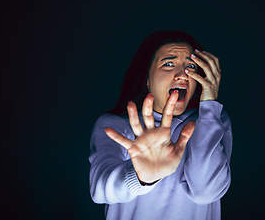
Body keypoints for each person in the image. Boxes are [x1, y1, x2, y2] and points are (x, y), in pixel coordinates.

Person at [89, 30, 233, 220]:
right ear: (147, 79)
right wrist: (142, 178)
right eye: (168, 64)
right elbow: (100, 190)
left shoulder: (213, 120)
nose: (183, 74)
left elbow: (205, 192)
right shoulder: (114, 124)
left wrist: (209, 108)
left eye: (191, 66)